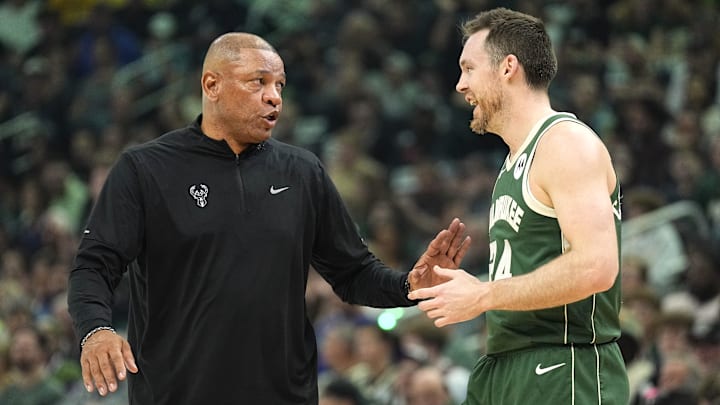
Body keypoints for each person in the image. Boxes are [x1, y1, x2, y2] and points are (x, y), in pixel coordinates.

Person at [66, 32, 471, 405]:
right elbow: (93, 265)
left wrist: (408, 285)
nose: (273, 97)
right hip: (177, 393)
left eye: (279, 86)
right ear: (212, 86)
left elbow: (353, 272)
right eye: (257, 82)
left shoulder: (302, 171)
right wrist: (95, 329)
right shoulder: (145, 169)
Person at [407, 8, 629, 404]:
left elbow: (597, 266)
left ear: (508, 67)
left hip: (563, 365)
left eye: (468, 68)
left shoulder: (564, 143)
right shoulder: (514, 161)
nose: (460, 85)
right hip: (506, 363)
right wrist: (454, 288)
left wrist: (484, 295)